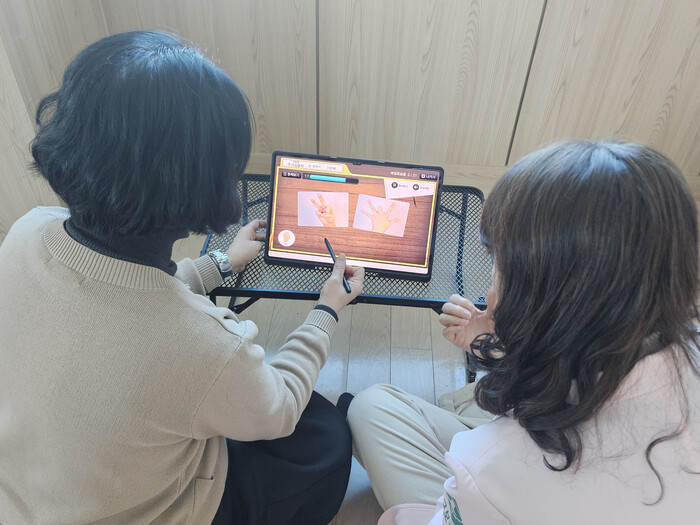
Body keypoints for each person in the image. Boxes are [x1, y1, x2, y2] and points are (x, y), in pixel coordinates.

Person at [0, 31, 364, 525]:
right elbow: (277, 410)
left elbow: (125, 293)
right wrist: (325, 311)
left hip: (30, 490)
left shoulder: (28, 231)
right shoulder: (206, 346)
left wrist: (220, 264)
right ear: (206, 185)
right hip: (153, 510)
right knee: (327, 436)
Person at [346, 140, 700, 524]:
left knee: (368, 408)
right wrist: (497, 346)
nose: (491, 289)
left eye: (496, 260)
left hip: (491, 491)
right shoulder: (684, 340)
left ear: (540, 297)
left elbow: (502, 464)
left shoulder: (496, 467)